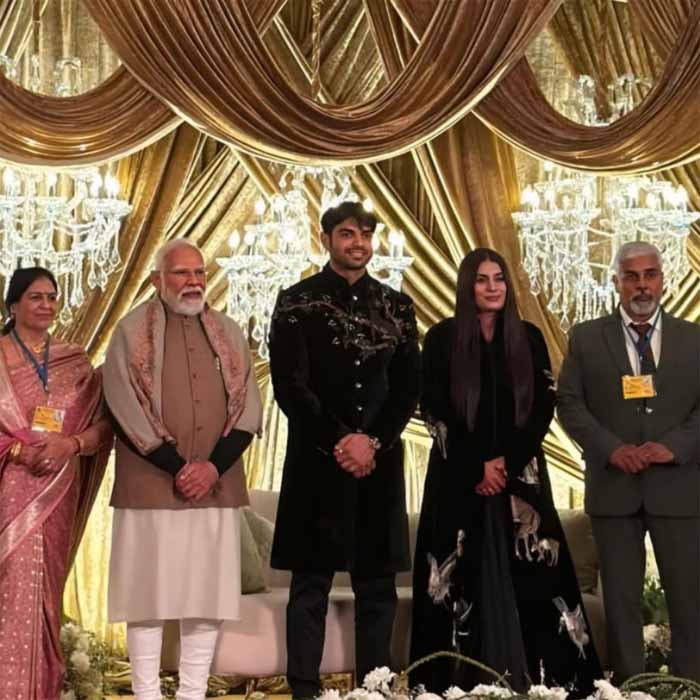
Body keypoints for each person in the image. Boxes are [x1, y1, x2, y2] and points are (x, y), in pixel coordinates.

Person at [410, 249, 601, 695]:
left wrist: (505, 464)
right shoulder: (441, 338)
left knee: (538, 579)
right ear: (466, 286)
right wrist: (477, 465)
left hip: (521, 478)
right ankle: (450, 687)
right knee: (455, 580)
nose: (493, 287)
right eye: (482, 279)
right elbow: (433, 408)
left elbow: (543, 407)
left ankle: (550, 685)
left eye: (499, 278)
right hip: (458, 477)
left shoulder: (528, 337)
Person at [269, 201, 421, 697]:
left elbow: (408, 389)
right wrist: (340, 441)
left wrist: (371, 442)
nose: (359, 243)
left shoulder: (398, 307)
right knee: (309, 585)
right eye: (348, 233)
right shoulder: (296, 302)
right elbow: (290, 386)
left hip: (378, 465)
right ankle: (304, 690)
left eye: (366, 235)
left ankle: (373, 689)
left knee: (377, 586)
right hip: (316, 464)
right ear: (326, 239)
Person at [103, 239, 262, 700]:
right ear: (157, 280)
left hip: (215, 487)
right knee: (146, 599)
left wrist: (212, 469)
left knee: (206, 599)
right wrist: (176, 467)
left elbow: (249, 407)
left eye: (199, 273)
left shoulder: (228, 331)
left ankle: (193, 693)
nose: (193, 282)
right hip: (150, 483)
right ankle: (147, 694)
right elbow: (122, 404)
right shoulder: (130, 331)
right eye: (181, 273)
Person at [558, 241, 700, 683]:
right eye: (631, 276)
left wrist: (674, 446)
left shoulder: (694, 338)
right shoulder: (586, 337)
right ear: (616, 282)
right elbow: (569, 403)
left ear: (663, 280)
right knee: (620, 601)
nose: (642, 285)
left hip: (679, 487)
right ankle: (630, 688)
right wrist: (611, 448)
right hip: (613, 488)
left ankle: (689, 687)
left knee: (689, 598)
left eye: (650, 275)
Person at [0, 267, 112, 700]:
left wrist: (72, 444)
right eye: (35, 297)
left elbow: (104, 426)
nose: (46, 305)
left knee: (46, 595)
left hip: (61, 486)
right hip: (11, 484)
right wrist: (18, 451)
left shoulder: (75, 361)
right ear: (13, 305)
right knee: (11, 589)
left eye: (52, 297)